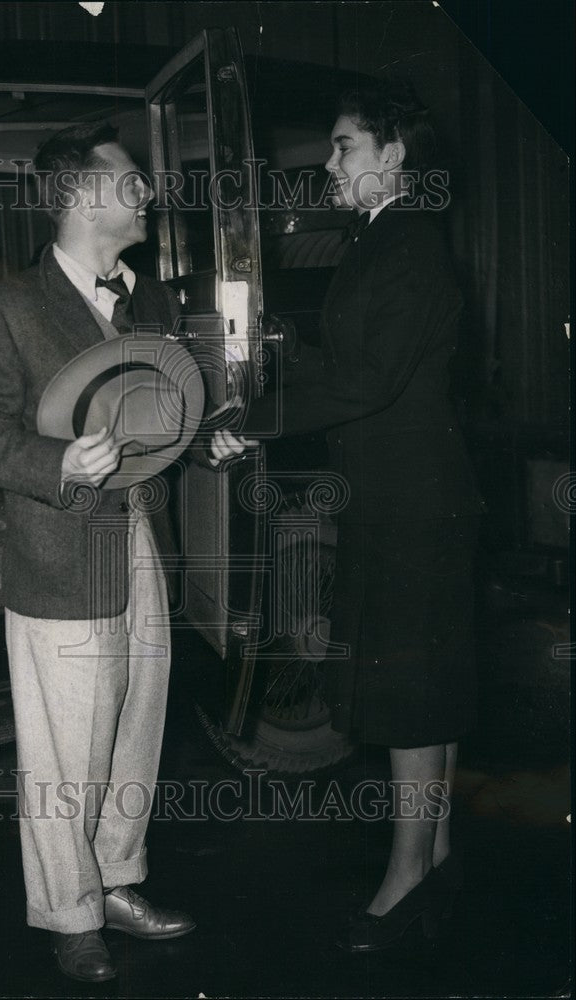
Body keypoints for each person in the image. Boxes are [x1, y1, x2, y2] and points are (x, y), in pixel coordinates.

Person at [212, 79, 481, 952]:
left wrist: (248, 420)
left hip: (412, 500)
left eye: (343, 147)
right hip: (400, 492)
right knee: (422, 681)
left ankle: (404, 877)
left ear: (392, 158)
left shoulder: (405, 244)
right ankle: (431, 853)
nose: (326, 163)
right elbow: (352, 362)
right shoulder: (382, 239)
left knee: (410, 686)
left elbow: (364, 381)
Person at [0, 122, 195, 983]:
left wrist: (206, 440)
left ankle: (117, 882)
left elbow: (163, 413)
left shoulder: (151, 300)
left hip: (139, 542)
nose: (147, 195)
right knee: (65, 749)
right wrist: (56, 462)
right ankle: (67, 914)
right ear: (84, 196)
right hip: (59, 553)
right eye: (131, 181)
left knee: (134, 728)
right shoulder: (7, 308)